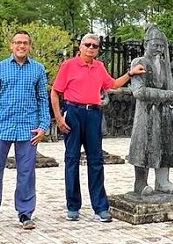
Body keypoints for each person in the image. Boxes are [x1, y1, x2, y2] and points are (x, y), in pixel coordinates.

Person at [51, 34, 145, 222]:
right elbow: (55, 92)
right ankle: (73, 206)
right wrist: (59, 118)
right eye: (88, 44)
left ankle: (100, 207)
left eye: (95, 45)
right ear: (81, 46)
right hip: (73, 111)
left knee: (96, 161)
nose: (91, 48)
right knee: (72, 159)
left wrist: (130, 73)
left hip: (93, 113)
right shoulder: (68, 65)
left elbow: (111, 85)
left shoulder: (99, 66)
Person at [0, 31, 50, 231]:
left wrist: (43, 126)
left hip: (29, 130)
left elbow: (43, 100)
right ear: (11, 45)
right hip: (1, 127)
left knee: (26, 173)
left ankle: (26, 213)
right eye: (18, 42)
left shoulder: (38, 69)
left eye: (25, 43)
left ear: (29, 46)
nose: (21, 46)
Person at [126, 25, 173, 197]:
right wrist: (165, 95)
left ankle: (162, 181)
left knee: (166, 145)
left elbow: (171, 91)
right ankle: (140, 183)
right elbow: (139, 91)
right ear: (146, 44)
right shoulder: (139, 63)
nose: (158, 49)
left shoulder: (165, 65)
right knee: (144, 146)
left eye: (161, 46)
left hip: (164, 113)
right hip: (146, 114)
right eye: (155, 45)